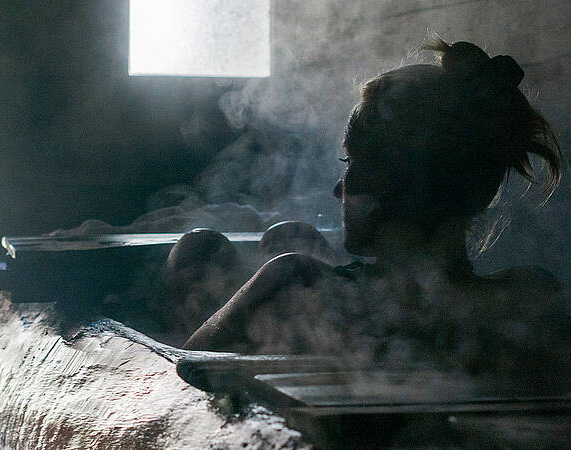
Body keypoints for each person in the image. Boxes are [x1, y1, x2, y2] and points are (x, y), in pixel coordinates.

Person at [180, 39, 568, 391]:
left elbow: (182, 376)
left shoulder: (294, 281)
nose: (338, 188)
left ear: (387, 186)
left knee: (200, 247)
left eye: (351, 163)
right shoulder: (527, 297)